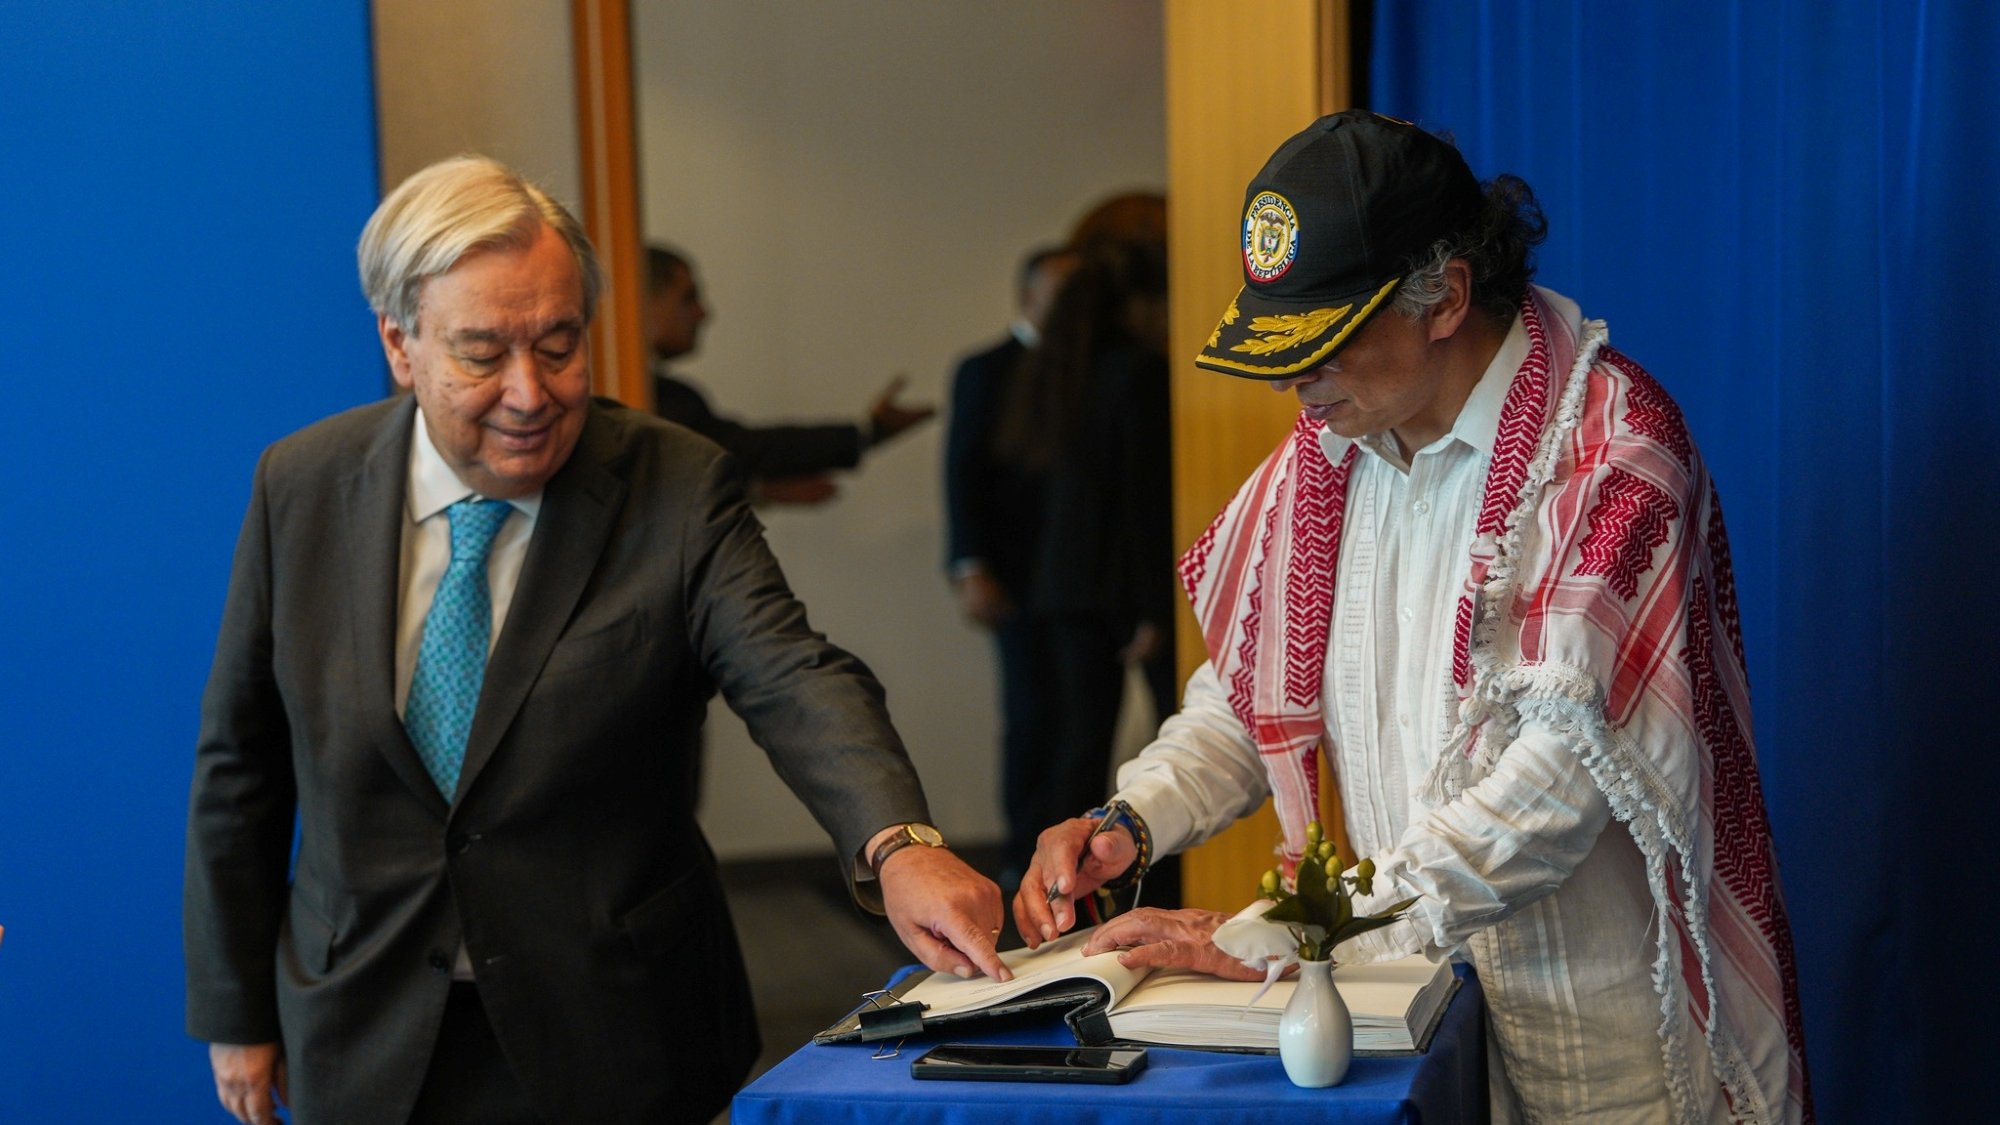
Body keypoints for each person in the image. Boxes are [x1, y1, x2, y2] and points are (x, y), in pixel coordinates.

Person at [1011, 112, 1812, 1122]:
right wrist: (1132, 818)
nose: (1294, 380)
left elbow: (1553, 795)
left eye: (1325, 341)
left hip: (1608, 1044)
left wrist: (1294, 927)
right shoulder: (1326, 449)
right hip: (1409, 1006)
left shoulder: (1610, 453)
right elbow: (1249, 691)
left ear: (1444, 298)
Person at [184, 155, 1008, 1125]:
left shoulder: (674, 484)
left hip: (613, 1022)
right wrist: (235, 1010)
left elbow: (792, 674)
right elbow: (240, 766)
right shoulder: (303, 486)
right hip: (362, 1019)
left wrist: (898, 843)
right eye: (483, 354)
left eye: (560, 344)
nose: (531, 394)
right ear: (400, 345)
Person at [985, 237, 1178, 878]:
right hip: (1120, 582)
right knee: (1168, 731)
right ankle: (1157, 876)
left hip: (1062, 579)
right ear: (1145, 304)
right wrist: (1155, 607)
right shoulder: (1139, 371)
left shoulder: (1059, 368)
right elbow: (1144, 501)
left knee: (1074, 741)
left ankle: (1056, 877)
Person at [942, 245, 1074, 874]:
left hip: (1076, 576)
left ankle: (1074, 855)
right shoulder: (986, 368)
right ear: (1029, 296)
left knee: (1077, 720)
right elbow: (961, 471)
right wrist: (971, 564)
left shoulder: (1089, 367)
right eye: (1062, 292)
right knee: (1029, 715)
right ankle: (1023, 856)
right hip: (1014, 572)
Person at [645, 245, 933, 504]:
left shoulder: (660, 395)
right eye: (688, 298)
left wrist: (759, 489)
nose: (703, 314)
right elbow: (733, 450)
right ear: (641, 301)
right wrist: (870, 433)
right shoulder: (658, 398)